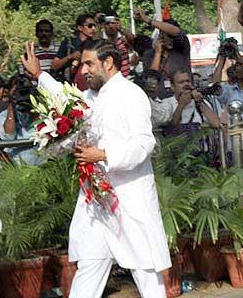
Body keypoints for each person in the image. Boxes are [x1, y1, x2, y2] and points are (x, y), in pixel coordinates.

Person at [22, 40, 171, 297]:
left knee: (145, 269)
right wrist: (39, 75)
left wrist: (102, 154)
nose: (83, 70)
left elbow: (144, 143)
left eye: (89, 64)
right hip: (96, 200)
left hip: (128, 197)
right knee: (90, 264)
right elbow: (67, 100)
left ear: (109, 63)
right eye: (82, 65)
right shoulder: (91, 97)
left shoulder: (131, 94)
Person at [135, 7, 191, 99]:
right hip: (161, 104)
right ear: (160, 35)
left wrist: (147, 20)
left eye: (173, 37)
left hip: (183, 100)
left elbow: (178, 33)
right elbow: (150, 82)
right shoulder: (149, 55)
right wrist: (158, 54)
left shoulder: (181, 49)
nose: (171, 40)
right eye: (168, 35)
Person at [0, 76, 41, 165]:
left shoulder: (41, 110)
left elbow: (43, 129)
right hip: (18, 165)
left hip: (41, 161)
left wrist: (32, 105)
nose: (23, 94)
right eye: (19, 92)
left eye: (26, 90)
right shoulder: (4, 115)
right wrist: (11, 104)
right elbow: (8, 137)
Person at [162, 69, 221, 134]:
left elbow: (216, 124)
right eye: (181, 82)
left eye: (188, 81)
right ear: (173, 87)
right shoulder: (166, 103)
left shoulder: (200, 102)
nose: (186, 84)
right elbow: (171, 128)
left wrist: (200, 102)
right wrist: (181, 105)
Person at [52, 14, 98, 89]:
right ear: (80, 27)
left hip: (89, 86)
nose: (93, 28)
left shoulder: (95, 44)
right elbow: (54, 66)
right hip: (70, 85)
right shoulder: (69, 43)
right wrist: (70, 57)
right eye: (89, 26)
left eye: (94, 26)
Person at [101, 11, 134, 77]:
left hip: (126, 76)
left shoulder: (123, 37)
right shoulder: (100, 39)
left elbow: (132, 39)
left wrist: (120, 29)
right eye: (108, 23)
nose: (110, 26)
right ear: (103, 25)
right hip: (108, 77)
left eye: (113, 23)